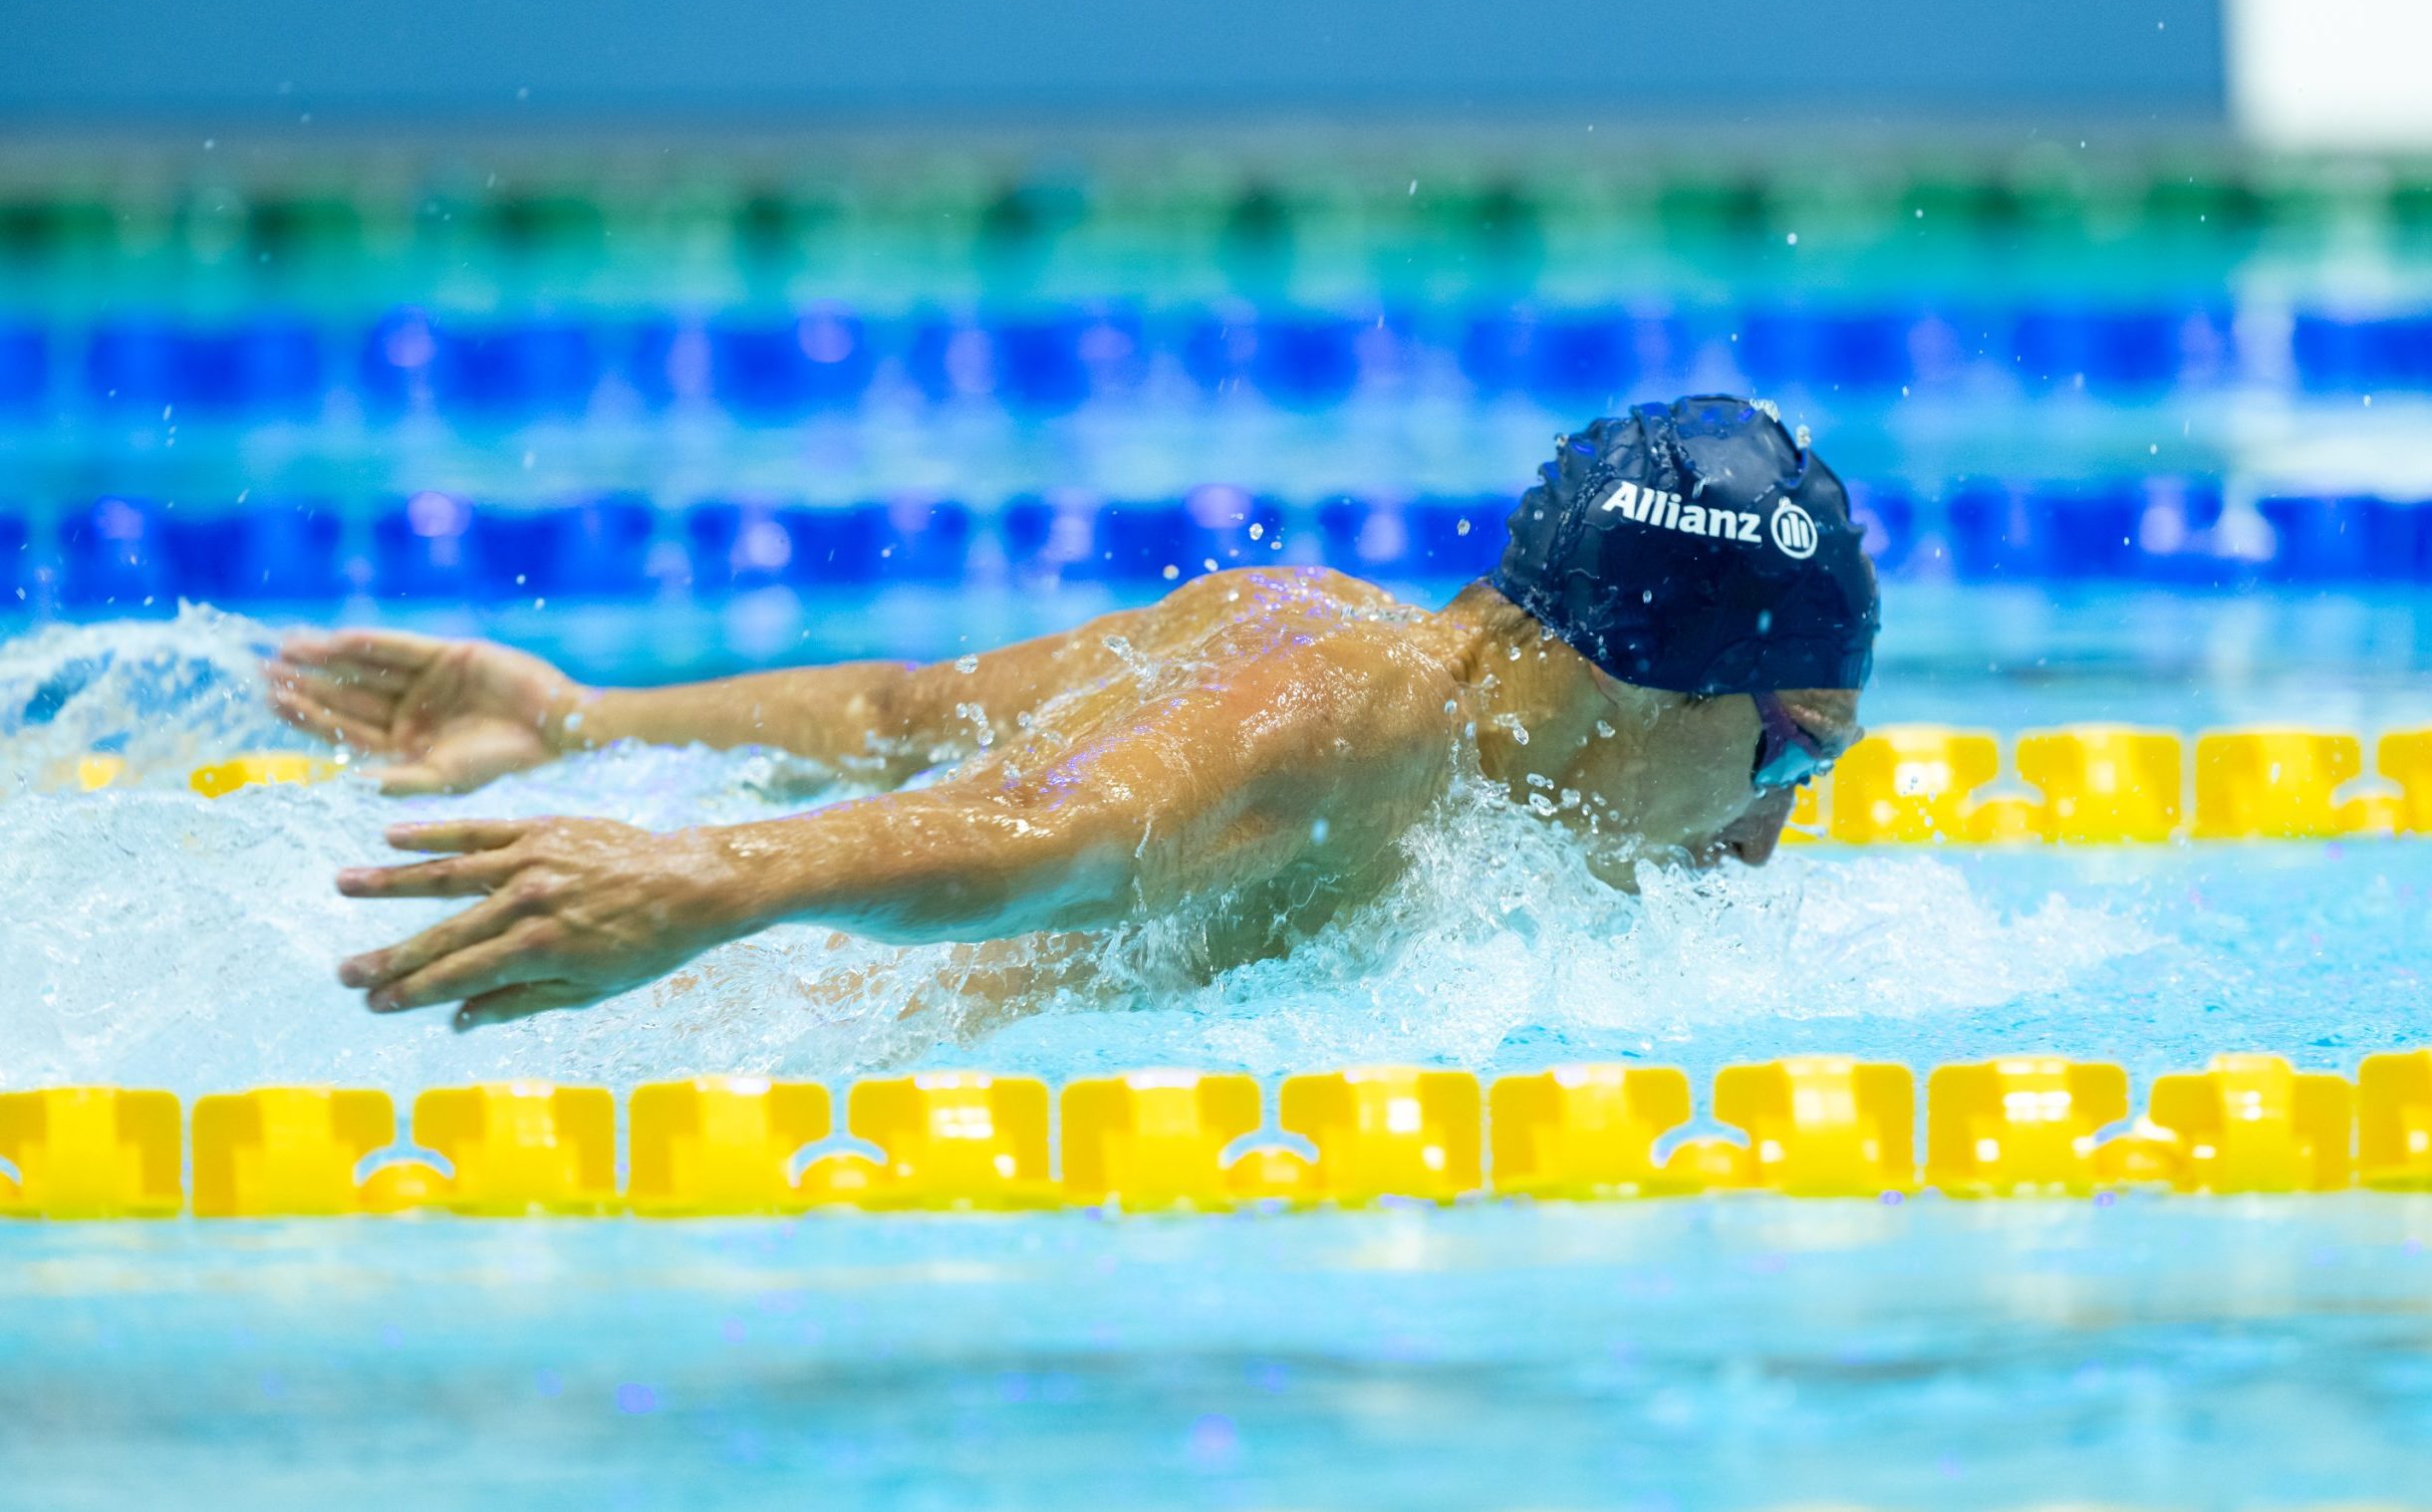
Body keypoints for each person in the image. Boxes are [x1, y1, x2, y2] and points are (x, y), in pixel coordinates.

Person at [269, 394, 1876, 1031]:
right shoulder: (1361, 718)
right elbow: (1063, 832)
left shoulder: (1300, 626)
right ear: (1645, 668)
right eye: (1794, 745)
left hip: (705, 1028)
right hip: (747, 1072)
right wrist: (712, 882)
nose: (1768, 830)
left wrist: (577, 714)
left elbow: (913, 707)